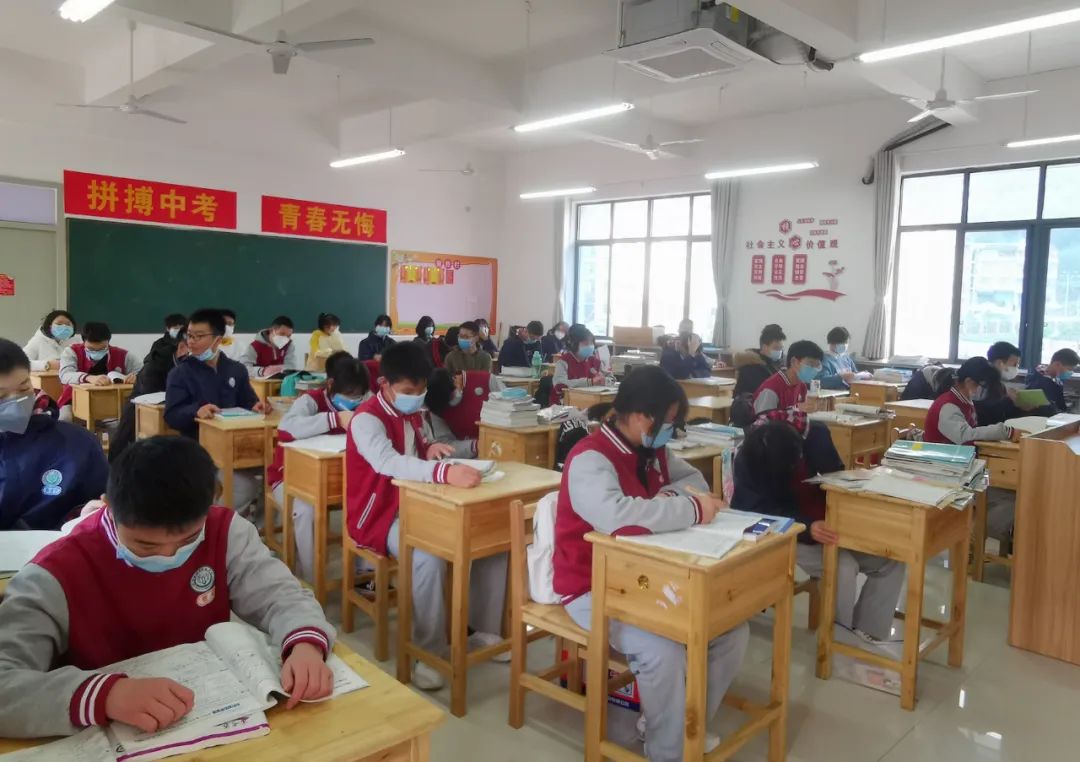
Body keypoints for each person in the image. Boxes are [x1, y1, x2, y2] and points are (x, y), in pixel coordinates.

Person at [0, 435, 334, 739]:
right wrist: (105, 695)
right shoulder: (55, 573)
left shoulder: (226, 531)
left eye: (189, 540)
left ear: (211, 503)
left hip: (207, 712)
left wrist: (304, 643)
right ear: (108, 507)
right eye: (145, 546)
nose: (169, 555)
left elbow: (280, 595)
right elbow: (5, 682)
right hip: (111, 732)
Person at [554, 366, 744, 760]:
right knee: (663, 648)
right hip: (591, 585)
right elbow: (617, 518)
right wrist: (689, 509)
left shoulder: (652, 450)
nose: (670, 430)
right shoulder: (590, 458)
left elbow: (695, 481)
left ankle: (686, 726)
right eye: (668, 421)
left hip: (648, 576)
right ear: (642, 416)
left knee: (730, 630)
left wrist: (668, 500)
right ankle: (667, 750)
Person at [344, 342, 502, 690]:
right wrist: (443, 472)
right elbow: (388, 462)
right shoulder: (366, 419)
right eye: (408, 391)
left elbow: (417, 447)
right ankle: (427, 653)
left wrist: (430, 448)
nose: (416, 397)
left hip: (418, 504)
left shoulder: (414, 413)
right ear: (385, 384)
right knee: (427, 555)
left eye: (421, 390)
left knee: (488, 535)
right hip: (379, 515)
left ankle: (479, 628)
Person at [732, 411, 904, 643]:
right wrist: (807, 526)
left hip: (830, 523)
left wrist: (852, 515)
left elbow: (839, 477)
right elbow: (753, 513)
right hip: (788, 532)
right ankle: (840, 642)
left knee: (891, 559)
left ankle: (868, 635)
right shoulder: (749, 455)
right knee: (843, 566)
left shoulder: (817, 434)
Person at [268, 358, 371, 581]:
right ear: (331, 384)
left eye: (359, 394)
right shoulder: (311, 401)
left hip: (340, 479)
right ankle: (310, 578)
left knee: (371, 503)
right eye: (349, 393)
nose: (354, 399)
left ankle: (365, 576)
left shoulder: (365, 402)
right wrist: (334, 419)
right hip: (291, 478)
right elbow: (286, 428)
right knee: (305, 509)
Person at [165, 309, 270, 512]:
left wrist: (257, 406)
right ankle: (215, 523)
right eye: (189, 335)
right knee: (243, 486)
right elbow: (171, 415)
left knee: (277, 472)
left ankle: (258, 525)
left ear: (218, 339)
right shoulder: (180, 373)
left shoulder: (236, 369)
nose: (191, 342)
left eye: (199, 336)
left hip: (240, 446)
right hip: (201, 450)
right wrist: (196, 411)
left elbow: (249, 401)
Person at [0, 339, 107, 531]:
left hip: (55, 546)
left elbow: (100, 505)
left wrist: (85, 516)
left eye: (24, 388)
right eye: (1, 396)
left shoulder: (77, 443)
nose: (16, 401)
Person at [109, 329, 190, 463]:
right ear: (182, 347)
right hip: (141, 408)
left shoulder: (188, 363)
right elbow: (149, 394)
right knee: (123, 443)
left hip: (171, 409)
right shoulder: (155, 364)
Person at [924, 357, 1017, 445]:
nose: (987, 392)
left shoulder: (965, 400)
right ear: (969, 382)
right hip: (939, 454)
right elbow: (964, 436)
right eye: (985, 387)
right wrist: (1004, 431)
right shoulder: (948, 406)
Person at [57, 322, 142, 418]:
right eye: (91, 349)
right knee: (64, 418)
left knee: (121, 422)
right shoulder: (71, 351)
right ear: (83, 341)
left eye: (102, 349)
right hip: (73, 400)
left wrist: (137, 377)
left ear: (108, 342)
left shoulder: (123, 355)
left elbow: (143, 372)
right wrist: (88, 377)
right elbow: (65, 375)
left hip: (111, 402)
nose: (96, 352)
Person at [975, 341, 1052, 424]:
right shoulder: (979, 381)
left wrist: (1020, 405)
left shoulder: (999, 384)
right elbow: (984, 411)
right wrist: (1010, 400)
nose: (1016, 369)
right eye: (1014, 365)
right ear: (1000, 363)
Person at [424, 367, 504, 441]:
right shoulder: (435, 408)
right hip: (469, 449)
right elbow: (446, 443)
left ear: (455, 384)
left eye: (448, 403)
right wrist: (474, 446)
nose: (447, 410)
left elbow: (510, 412)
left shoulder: (487, 380)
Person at [752, 339, 823, 415]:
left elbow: (800, 416)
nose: (814, 369)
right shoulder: (771, 389)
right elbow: (762, 419)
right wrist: (795, 409)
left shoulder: (801, 385)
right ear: (794, 362)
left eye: (817, 365)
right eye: (810, 364)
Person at [550, 324, 607, 405]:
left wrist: (604, 380)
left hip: (589, 401)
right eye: (585, 344)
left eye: (591, 343)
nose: (590, 346)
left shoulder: (595, 361)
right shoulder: (564, 361)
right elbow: (559, 385)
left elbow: (611, 378)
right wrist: (589, 382)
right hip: (564, 404)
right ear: (574, 344)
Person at [733, 324, 786, 397]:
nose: (779, 352)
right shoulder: (751, 367)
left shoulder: (781, 365)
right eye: (776, 348)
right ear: (764, 347)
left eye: (781, 349)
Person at [1027, 348, 1079, 413]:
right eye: (1069, 369)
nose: (1071, 372)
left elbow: (1059, 404)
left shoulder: (1056, 379)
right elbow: (1045, 409)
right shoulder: (1039, 381)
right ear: (1057, 364)